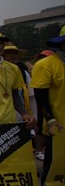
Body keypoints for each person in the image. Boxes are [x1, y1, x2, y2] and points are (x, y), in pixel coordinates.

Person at [31, 33, 65, 172]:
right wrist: (50, 120)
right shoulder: (45, 64)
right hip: (58, 128)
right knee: (54, 172)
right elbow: (41, 97)